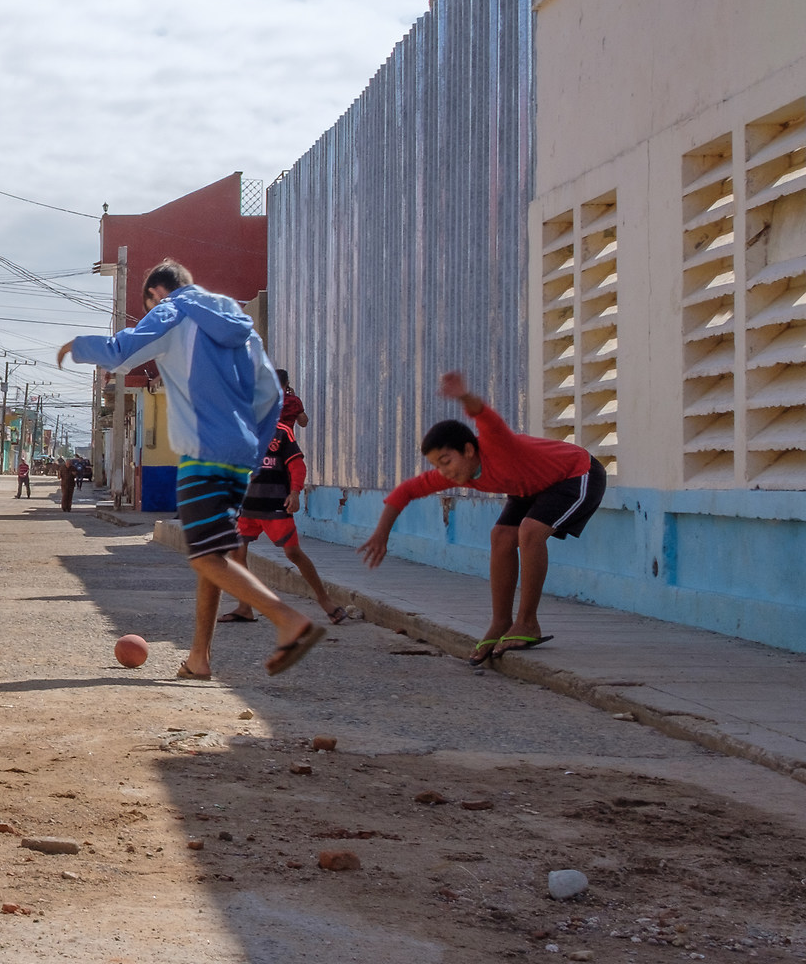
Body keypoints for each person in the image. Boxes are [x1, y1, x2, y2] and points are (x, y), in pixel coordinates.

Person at [59, 259, 325, 679]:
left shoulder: (172, 311)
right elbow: (270, 393)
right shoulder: (237, 319)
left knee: (204, 557)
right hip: (240, 455)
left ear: (157, 294)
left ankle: (288, 621)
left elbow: (122, 352)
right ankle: (199, 658)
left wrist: (77, 346)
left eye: (149, 304)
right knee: (214, 553)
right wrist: (252, 448)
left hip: (202, 452)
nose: (150, 310)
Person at [358, 371, 604, 665]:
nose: (444, 471)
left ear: (469, 449)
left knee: (529, 531)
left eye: (446, 461)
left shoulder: (496, 444)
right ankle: (501, 622)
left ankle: (527, 623)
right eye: (438, 465)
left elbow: (483, 415)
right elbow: (407, 491)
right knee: (500, 537)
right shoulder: (462, 475)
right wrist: (381, 533)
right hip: (531, 487)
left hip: (577, 473)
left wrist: (463, 395)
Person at [212, 391, 345, 628]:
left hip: (275, 507)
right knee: (237, 554)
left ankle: (326, 601)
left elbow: (297, 465)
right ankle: (245, 607)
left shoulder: (282, 432)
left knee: (293, 553)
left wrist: (295, 492)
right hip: (247, 508)